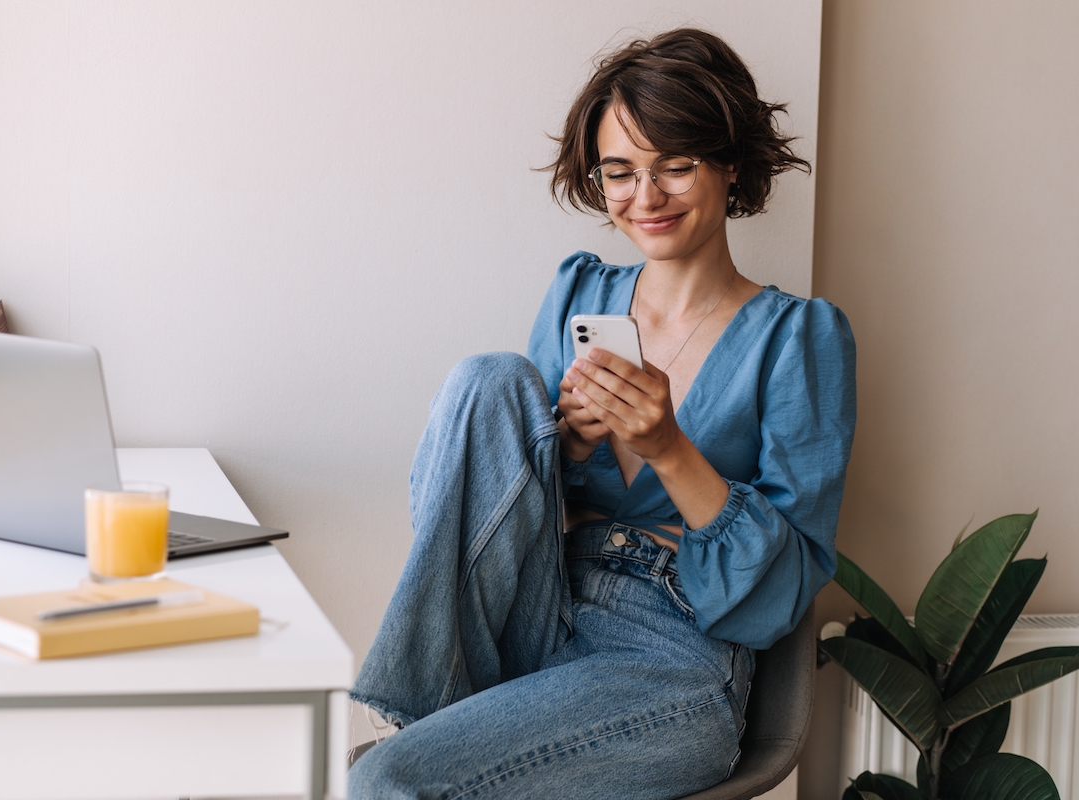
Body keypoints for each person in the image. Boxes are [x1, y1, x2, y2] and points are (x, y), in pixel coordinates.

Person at [349, 28, 856, 800]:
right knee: (490, 380)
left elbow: (784, 590)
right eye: (619, 172)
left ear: (730, 166)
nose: (643, 198)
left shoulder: (798, 338)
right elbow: (478, 502)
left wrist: (668, 448)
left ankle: (420, 722)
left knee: (390, 779)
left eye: (674, 167)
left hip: (667, 648)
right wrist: (566, 442)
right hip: (538, 604)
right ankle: (435, 690)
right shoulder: (579, 293)